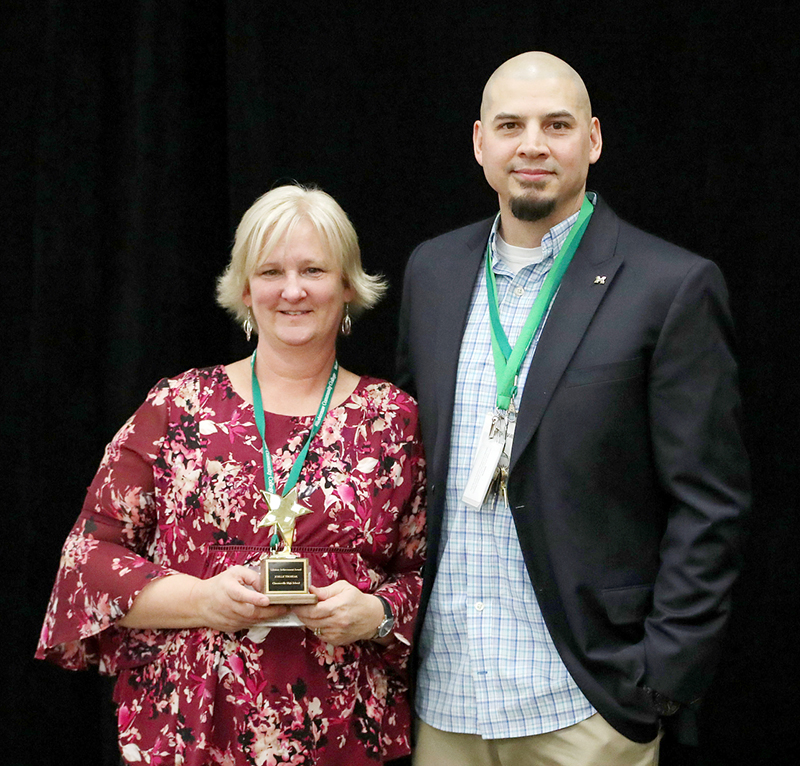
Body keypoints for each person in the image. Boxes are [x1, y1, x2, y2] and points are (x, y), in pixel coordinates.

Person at [397, 52, 749, 765]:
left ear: (592, 140)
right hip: (445, 700)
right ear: (478, 143)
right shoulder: (431, 272)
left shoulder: (670, 287)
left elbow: (710, 503)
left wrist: (660, 678)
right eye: (511, 125)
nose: (532, 144)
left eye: (556, 124)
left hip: (584, 703)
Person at [37, 184, 427, 765]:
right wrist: (203, 600)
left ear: (347, 285)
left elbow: (431, 576)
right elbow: (87, 562)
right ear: (245, 288)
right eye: (271, 271)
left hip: (343, 738)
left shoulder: (392, 419)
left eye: (314, 269)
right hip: (191, 732)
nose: (292, 290)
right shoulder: (178, 408)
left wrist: (376, 614)